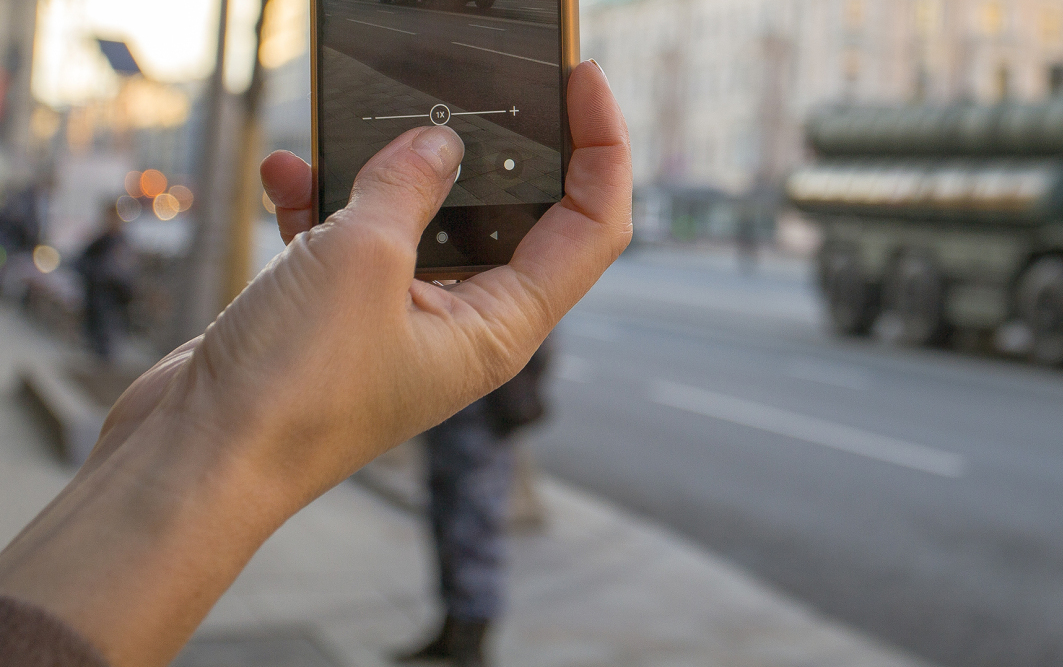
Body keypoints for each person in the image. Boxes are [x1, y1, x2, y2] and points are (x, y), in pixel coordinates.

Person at [0, 61, 631, 667]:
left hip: (487, 416)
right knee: (453, 515)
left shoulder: (497, 264)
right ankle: (458, 625)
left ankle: (469, 629)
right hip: (467, 411)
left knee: (470, 520)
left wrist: (207, 425)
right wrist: (214, 421)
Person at [398, 341, 551, 667]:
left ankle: (472, 643)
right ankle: (452, 630)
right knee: (446, 526)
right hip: (448, 418)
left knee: (475, 531)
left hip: (483, 423)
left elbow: (537, 337)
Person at [74, 201, 137, 364]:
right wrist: (97, 273)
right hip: (99, 294)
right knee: (98, 334)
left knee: (109, 334)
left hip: (115, 296)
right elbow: (81, 262)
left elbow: (129, 270)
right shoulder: (100, 241)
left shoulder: (123, 242)